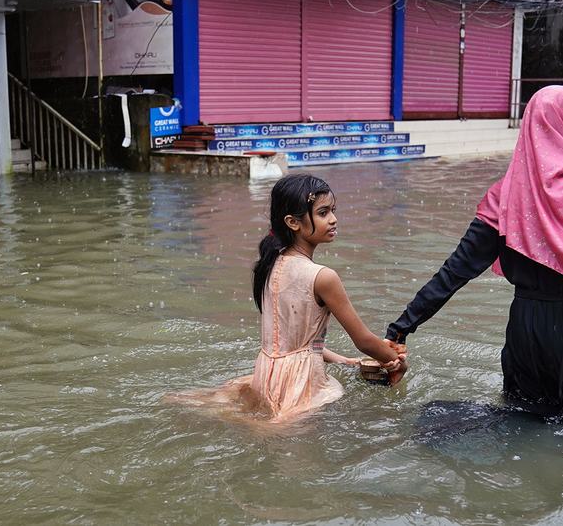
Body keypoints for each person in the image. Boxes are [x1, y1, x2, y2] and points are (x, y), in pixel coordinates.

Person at [385, 86, 563, 423]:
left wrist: (400, 329)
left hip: (524, 332)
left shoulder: (505, 197)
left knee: (521, 417)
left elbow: (455, 271)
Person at [170, 174, 406, 423]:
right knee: (281, 433)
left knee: (267, 426)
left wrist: (344, 360)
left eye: (333, 211)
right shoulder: (323, 277)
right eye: (323, 213)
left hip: (266, 374)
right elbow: (364, 341)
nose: (334, 219)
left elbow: (293, 344)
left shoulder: (270, 264)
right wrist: (397, 362)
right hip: (302, 382)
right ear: (293, 222)